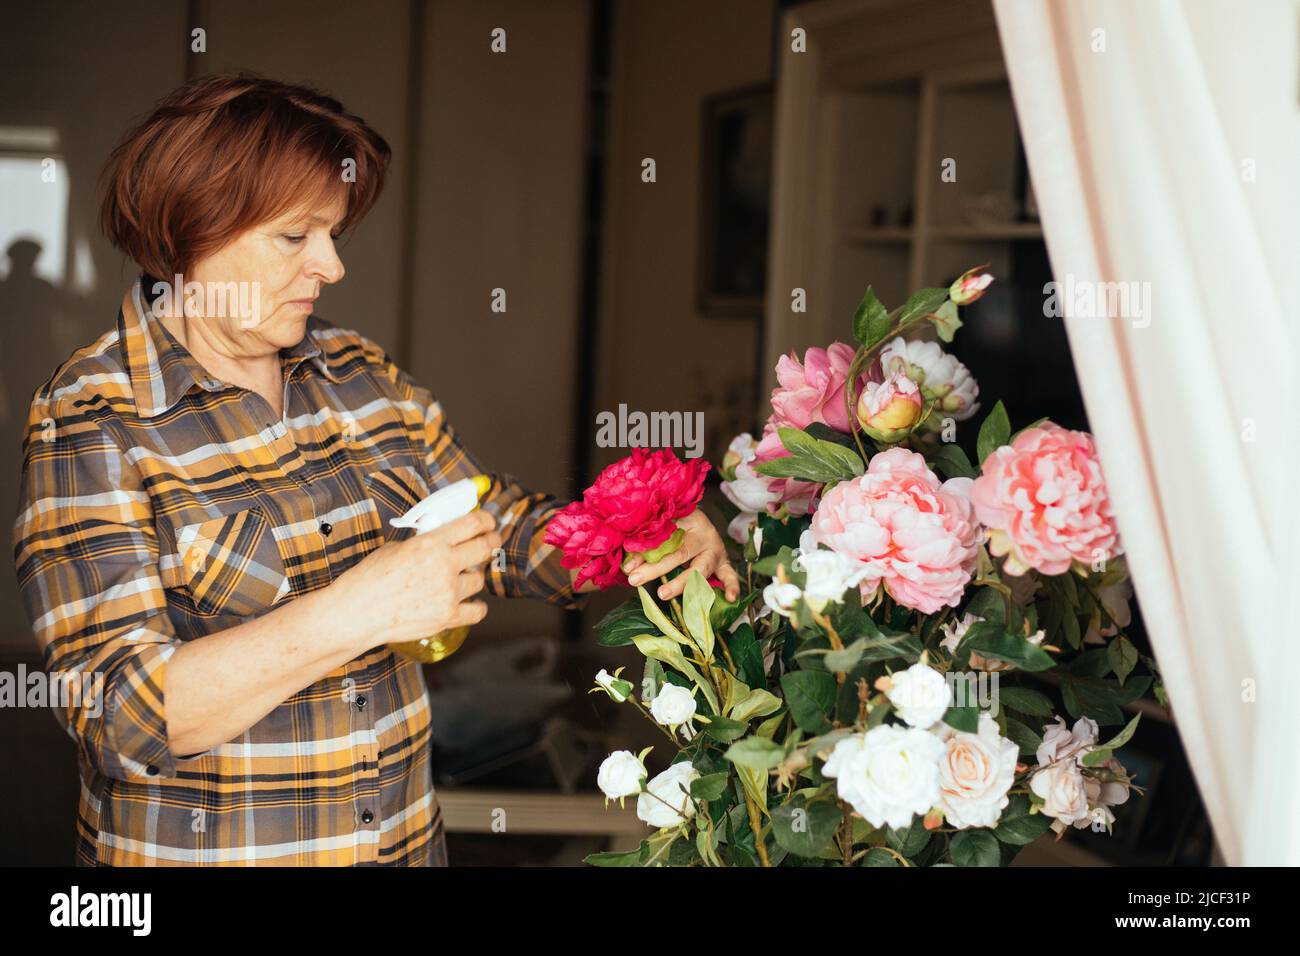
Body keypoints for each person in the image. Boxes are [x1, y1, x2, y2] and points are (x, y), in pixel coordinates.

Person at [10, 73, 739, 866]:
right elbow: (121, 715)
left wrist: (630, 534)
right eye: (296, 237)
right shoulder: (90, 418)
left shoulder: (356, 370)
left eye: (333, 234)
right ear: (193, 231)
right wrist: (360, 610)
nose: (331, 266)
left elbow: (489, 528)